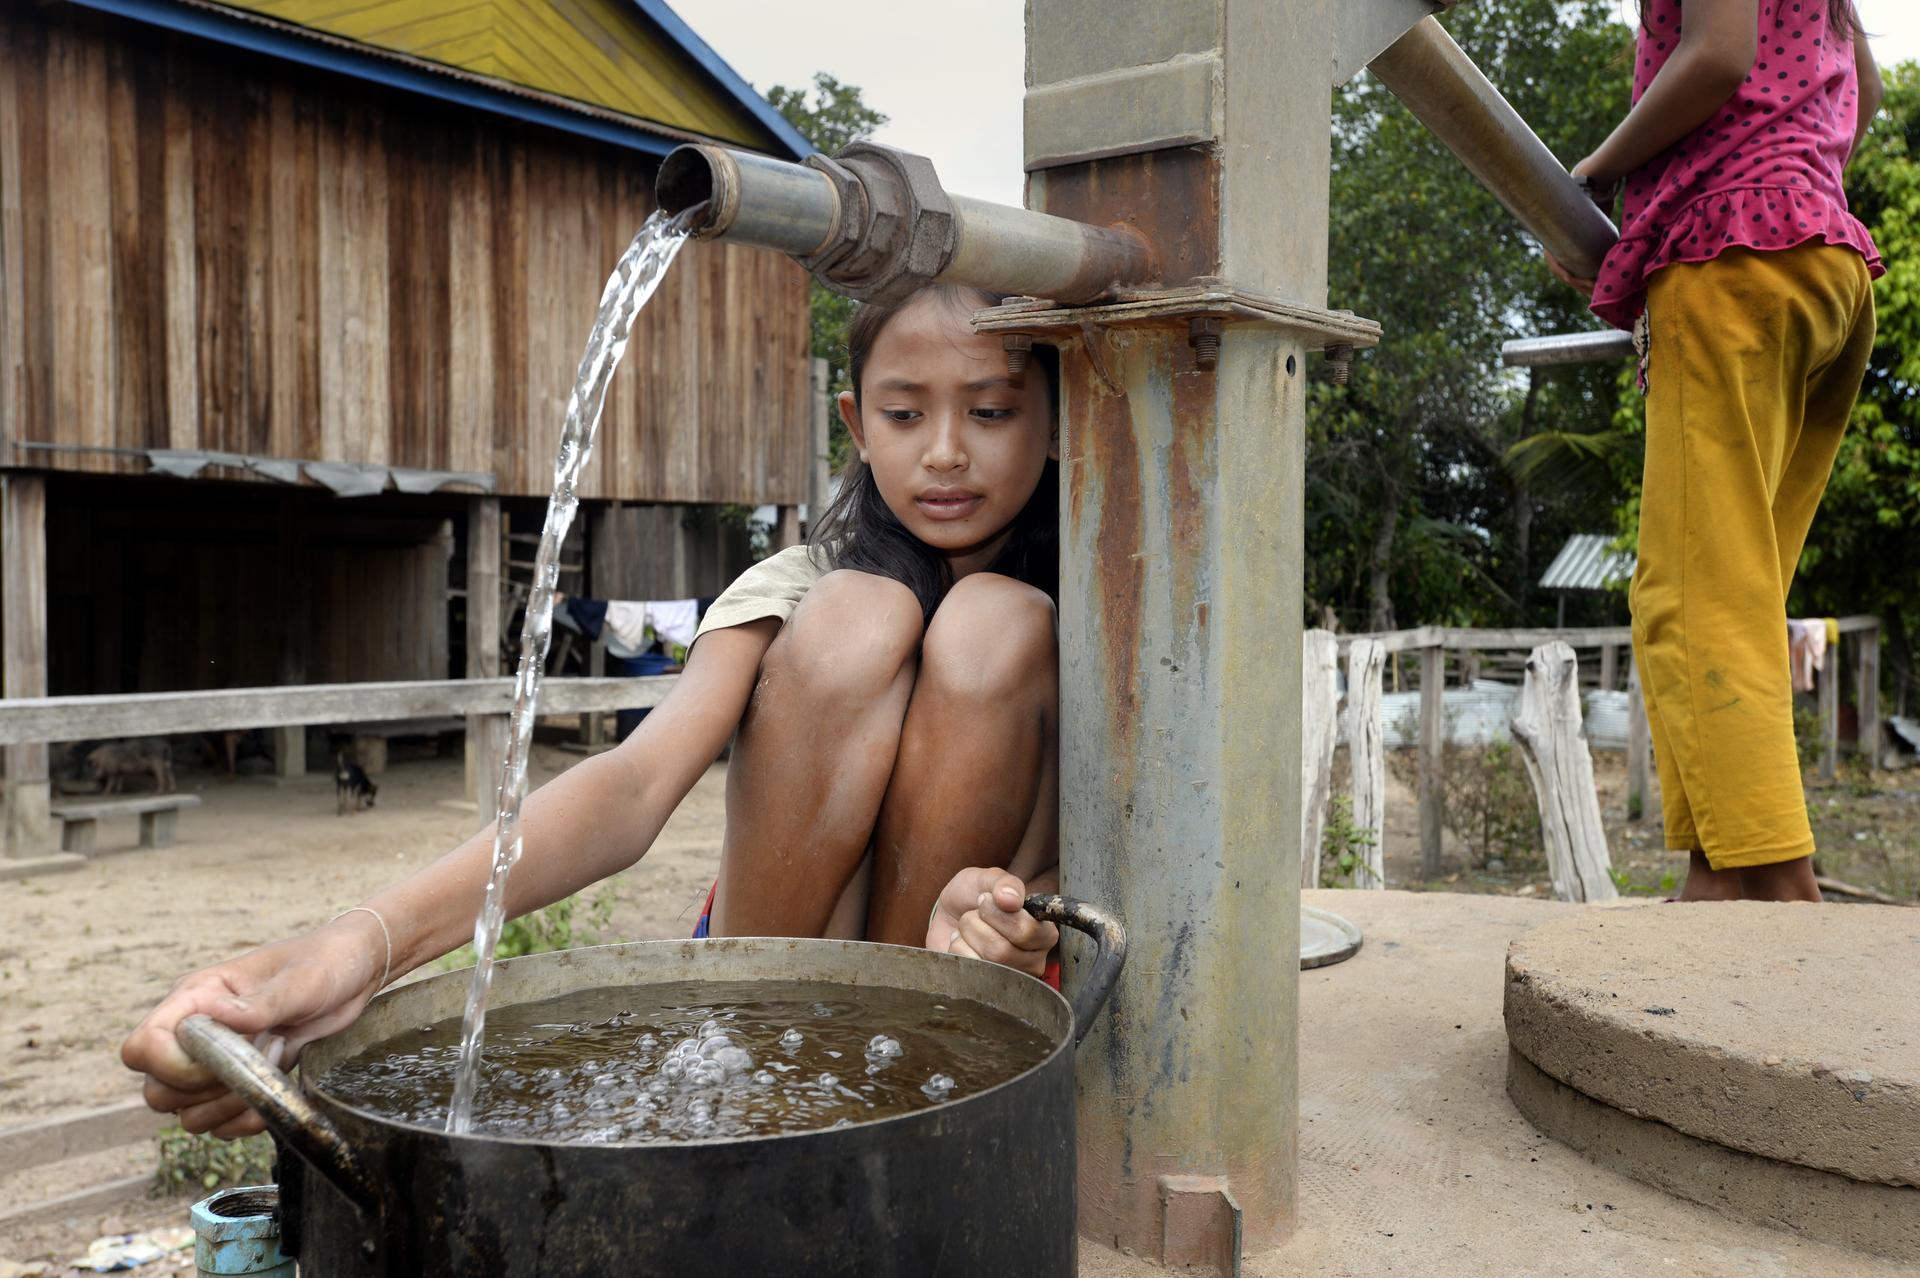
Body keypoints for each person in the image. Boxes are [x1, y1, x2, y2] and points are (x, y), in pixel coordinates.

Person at [121, 284, 1066, 1137]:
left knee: (998, 623)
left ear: (1061, 417)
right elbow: (632, 784)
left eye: (990, 411)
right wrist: (354, 952)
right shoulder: (802, 586)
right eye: (906, 414)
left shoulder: (1104, 610)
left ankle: (907, 1050)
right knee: (863, 613)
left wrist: (1005, 921)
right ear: (857, 425)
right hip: (773, 978)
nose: (945, 451)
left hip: (969, 981)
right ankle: (750, 1058)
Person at [1548, 0, 1883, 901]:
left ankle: (1782, 898)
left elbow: (1720, 56)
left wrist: (1596, 171)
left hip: (1735, 252)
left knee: (1693, 594)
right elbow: (1870, 91)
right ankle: (1717, 880)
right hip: (1829, 264)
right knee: (1737, 591)